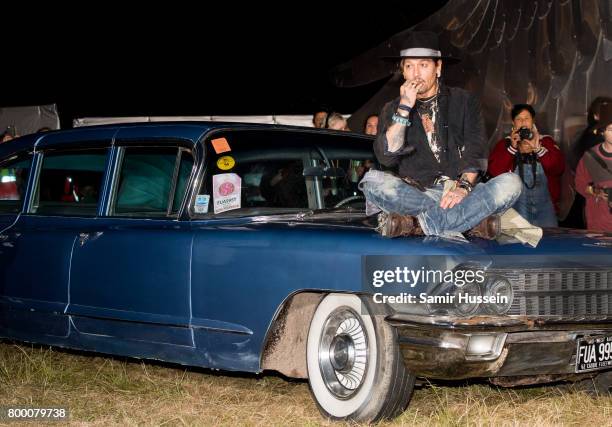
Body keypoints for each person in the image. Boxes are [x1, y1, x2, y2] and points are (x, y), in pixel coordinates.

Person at [359, 31, 522, 239]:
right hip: (417, 195)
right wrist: (404, 109)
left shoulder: (464, 101)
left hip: (462, 193)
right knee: (372, 182)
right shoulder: (392, 109)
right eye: (409, 66)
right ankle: (467, 222)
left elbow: (476, 148)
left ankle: (419, 224)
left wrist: (463, 187)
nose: (416, 74)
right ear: (403, 71)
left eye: (423, 65)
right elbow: (386, 157)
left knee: (512, 182)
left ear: (438, 67)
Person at [487, 104, 565, 227]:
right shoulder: (505, 144)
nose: (523, 122)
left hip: (545, 210)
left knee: (548, 242)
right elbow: (495, 173)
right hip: (515, 211)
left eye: (527, 118)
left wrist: (538, 149)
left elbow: (558, 168)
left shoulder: (546, 142)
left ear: (533, 121)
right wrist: (512, 148)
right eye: (519, 119)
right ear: (513, 123)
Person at [575, 119, 612, 232]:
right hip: (599, 221)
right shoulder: (590, 157)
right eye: (611, 129)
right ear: (602, 131)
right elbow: (579, 183)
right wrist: (596, 191)